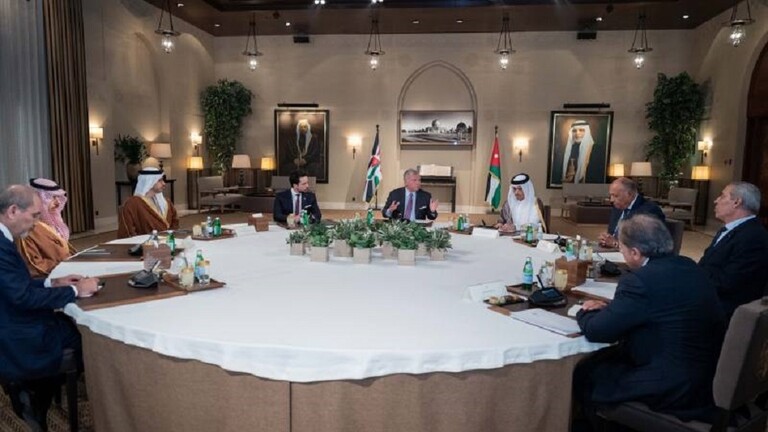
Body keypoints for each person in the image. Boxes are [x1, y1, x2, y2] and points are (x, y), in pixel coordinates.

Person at [573, 214, 725, 430]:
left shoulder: (639, 281)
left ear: (635, 253)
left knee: (586, 373)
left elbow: (597, 331)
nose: (622, 253)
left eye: (622, 248)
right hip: (708, 375)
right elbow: (662, 308)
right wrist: (613, 310)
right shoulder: (689, 265)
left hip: (672, 383)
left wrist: (584, 311)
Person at [0, 185, 100, 428]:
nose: (37, 223)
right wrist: (75, 290)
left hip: (11, 317)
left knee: (69, 323)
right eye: (34, 215)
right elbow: (23, 298)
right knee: (86, 337)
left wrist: (52, 282)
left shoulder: (4, 238)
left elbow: (14, 285)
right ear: (13, 211)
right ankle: (35, 393)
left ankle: (36, 388)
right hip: (16, 332)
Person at [698, 181, 768, 321]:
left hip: (723, 311)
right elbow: (707, 264)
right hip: (708, 296)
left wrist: (693, 281)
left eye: (722, 196)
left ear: (737, 202)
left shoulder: (753, 237)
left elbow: (728, 283)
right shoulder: (731, 229)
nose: (716, 200)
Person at [17, 178, 76, 277]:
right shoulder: (27, 228)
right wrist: (65, 267)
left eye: (58, 197)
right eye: (51, 197)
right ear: (36, 199)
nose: (57, 202)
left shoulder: (51, 224)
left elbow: (65, 250)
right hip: (49, 278)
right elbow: (34, 265)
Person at [598, 177, 664, 248]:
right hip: (611, 251)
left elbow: (648, 244)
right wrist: (606, 239)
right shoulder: (617, 208)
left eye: (615, 196)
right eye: (611, 195)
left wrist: (615, 244)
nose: (611, 200)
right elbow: (612, 234)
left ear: (629, 194)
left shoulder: (650, 210)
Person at [117, 167, 179, 238]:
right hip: (145, 243)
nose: (164, 183)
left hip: (167, 241)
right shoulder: (132, 204)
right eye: (159, 180)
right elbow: (128, 232)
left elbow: (175, 222)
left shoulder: (166, 202)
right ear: (149, 181)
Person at [551, 120, 607, 185]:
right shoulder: (570, 150)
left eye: (581, 130)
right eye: (574, 131)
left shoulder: (597, 150)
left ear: (587, 132)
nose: (577, 133)